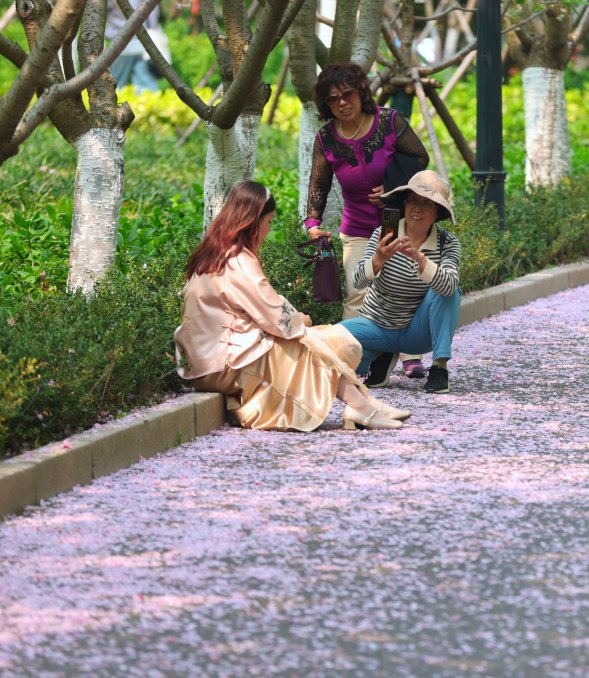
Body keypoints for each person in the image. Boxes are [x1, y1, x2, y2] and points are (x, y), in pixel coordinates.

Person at [175, 180, 410, 432]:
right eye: (269, 221)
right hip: (225, 363)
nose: (268, 229)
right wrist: (300, 320)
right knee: (307, 342)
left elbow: (262, 308)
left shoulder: (215, 253)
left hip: (207, 362)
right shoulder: (238, 259)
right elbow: (275, 315)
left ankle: (364, 403)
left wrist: (295, 322)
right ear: (253, 221)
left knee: (313, 340)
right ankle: (363, 405)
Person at [304, 62, 431, 380]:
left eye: (347, 94)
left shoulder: (389, 121)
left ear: (361, 92)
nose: (342, 102)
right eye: (333, 98)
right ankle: (354, 358)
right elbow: (319, 183)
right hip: (357, 226)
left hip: (397, 222)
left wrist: (391, 187)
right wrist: (312, 223)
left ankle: (410, 355)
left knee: (404, 287)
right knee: (356, 291)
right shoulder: (326, 138)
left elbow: (420, 158)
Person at [340, 170, 461, 395]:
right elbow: (356, 282)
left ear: (437, 212)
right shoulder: (383, 234)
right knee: (334, 339)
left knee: (449, 289)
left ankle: (440, 366)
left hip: (417, 334)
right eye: (413, 200)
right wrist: (378, 259)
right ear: (404, 204)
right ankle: (380, 355)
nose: (418, 208)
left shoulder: (448, 243)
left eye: (427, 203)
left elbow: (449, 287)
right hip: (377, 325)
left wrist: (420, 259)